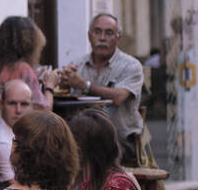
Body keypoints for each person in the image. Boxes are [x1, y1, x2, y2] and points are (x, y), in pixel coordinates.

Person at [59, 14, 145, 166]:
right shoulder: (77, 65)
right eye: (97, 32)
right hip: (81, 142)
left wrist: (85, 85)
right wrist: (63, 82)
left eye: (109, 33)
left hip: (119, 143)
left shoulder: (131, 66)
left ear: (118, 37)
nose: (102, 38)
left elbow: (119, 97)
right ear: (89, 36)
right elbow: (63, 94)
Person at [0, 16, 59, 109]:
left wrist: (34, 77)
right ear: (31, 43)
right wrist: (50, 86)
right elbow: (44, 111)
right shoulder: (23, 69)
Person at [0, 78, 34, 185]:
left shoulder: (29, 132)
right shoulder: (2, 141)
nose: (18, 110)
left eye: (24, 104)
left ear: (32, 106)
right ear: (1, 104)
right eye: (12, 103)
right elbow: (16, 186)